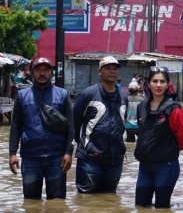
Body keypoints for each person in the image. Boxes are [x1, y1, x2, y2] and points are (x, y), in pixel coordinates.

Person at [8, 57, 75, 199]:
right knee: (31, 202)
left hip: (57, 158)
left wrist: (68, 153)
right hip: (31, 157)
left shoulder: (63, 95)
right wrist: (12, 153)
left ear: (51, 73)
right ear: (32, 73)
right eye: (38, 70)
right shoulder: (22, 96)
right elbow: (16, 126)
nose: (42, 73)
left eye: (46, 70)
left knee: (57, 202)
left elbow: (71, 126)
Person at [134, 66, 183, 208]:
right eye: (155, 81)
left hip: (166, 166)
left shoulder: (174, 109)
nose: (158, 85)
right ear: (148, 83)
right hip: (145, 165)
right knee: (140, 205)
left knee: (162, 207)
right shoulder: (142, 106)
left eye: (162, 81)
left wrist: (166, 150)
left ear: (168, 84)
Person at [72, 56, 128, 193]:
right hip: (90, 159)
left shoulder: (123, 97)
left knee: (109, 198)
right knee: (86, 198)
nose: (112, 72)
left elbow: (122, 125)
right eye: (108, 68)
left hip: (115, 159)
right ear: (99, 71)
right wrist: (84, 146)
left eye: (115, 69)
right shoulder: (88, 94)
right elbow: (74, 123)